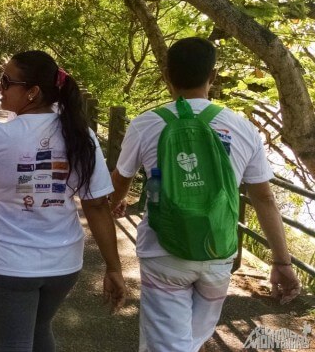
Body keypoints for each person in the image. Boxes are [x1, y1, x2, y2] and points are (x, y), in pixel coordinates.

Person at [109, 37, 301, 352]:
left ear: (166, 76)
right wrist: (281, 261)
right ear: (212, 77)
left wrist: (116, 205)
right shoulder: (242, 127)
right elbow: (264, 198)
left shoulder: (146, 124)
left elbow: (120, 181)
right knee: (194, 340)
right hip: (218, 251)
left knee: (168, 345)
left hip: (163, 252)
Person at [0, 50, 126, 351]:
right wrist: (114, 267)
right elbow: (95, 205)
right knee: (40, 329)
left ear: (33, 92)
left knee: (15, 343)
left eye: (6, 81)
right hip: (64, 263)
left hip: (10, 264)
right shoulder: (82, 135)